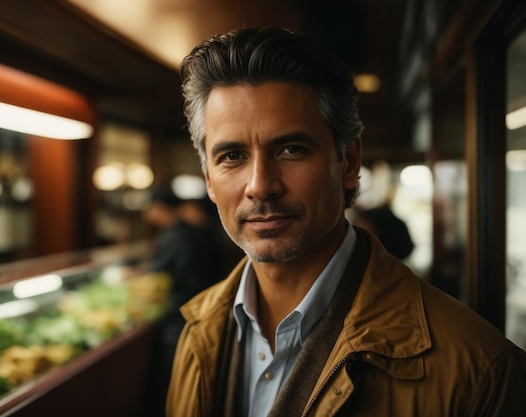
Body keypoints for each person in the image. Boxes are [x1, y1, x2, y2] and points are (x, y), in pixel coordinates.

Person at [166, 27, 526, 417]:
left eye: (291, 149)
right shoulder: (198, 330)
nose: (260, 186)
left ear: (349, 163)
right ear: (209, 180)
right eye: (232, 156)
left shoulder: (480, 369)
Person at [143, 186, 225, 416]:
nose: (147, 215)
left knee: (175, 375)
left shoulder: (175, 236)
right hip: (200, 308)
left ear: (160, 208)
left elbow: (155, 275)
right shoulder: (195, 232)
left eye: (150, 208)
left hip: (180, 313)